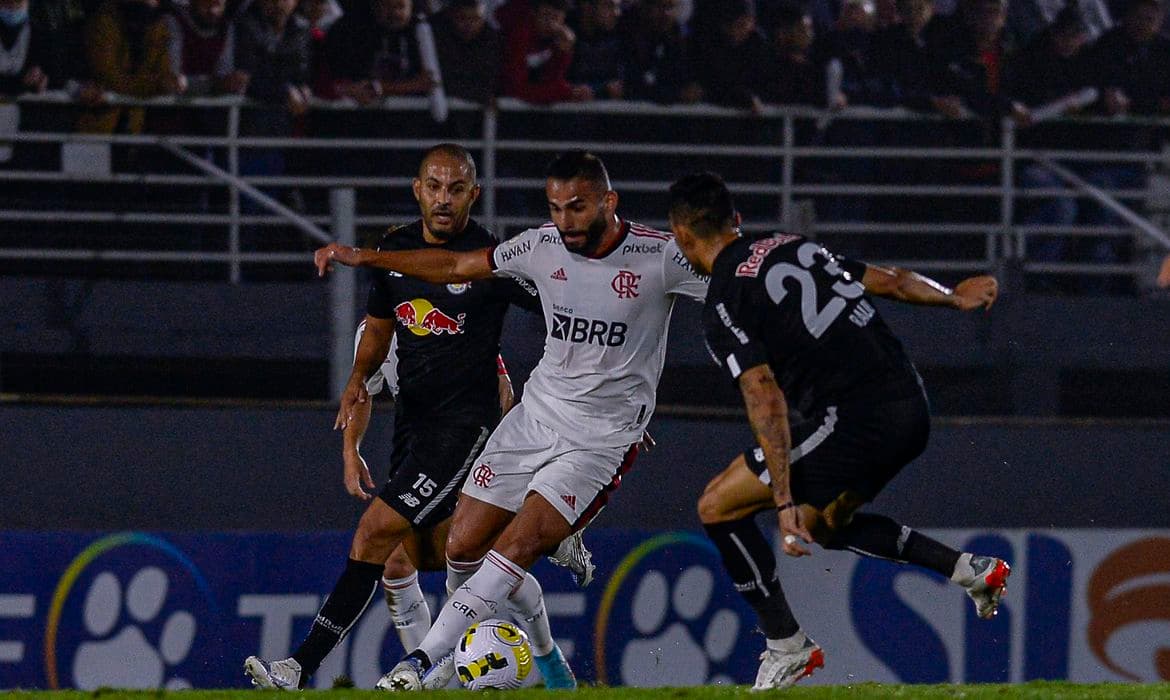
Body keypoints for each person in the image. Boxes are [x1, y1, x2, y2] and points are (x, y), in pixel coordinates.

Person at [313, 150, 709, 690]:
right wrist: (367, 258)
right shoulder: (540, 245)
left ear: (607, 202)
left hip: (599, 440)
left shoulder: (660, 257)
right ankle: (541, 638)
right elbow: (455, 265)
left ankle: (423, 664)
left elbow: (733, 281)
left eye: (577, 207)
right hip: (533, 419)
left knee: (512, 545)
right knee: (462, 547)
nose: (565, 220)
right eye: (555, 207)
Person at [244, 143, 588, 690]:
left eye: (456, 189)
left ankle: (304, 667)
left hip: (467, 427)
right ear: (417, 189)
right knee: (432, 556)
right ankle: (534, 590)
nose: (444, 199)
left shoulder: (493, 259)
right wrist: (357, 383)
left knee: (379, 536)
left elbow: (566, 307)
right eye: (434, 187)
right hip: (415, 429)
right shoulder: (395, 253)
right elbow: (377, 333)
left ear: (474, 195)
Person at [666, 171, 1009, 690]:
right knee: (823, 524)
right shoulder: (791, 246)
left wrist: (780, 501)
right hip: (910, 407)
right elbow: (890, 280)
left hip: (857, 420)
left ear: (683, 238)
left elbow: (764, 395)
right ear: (735, 220)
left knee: (718, 505)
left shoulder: (723, 301)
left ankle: (785, 645)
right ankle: (969, 569)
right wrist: (951, 297)